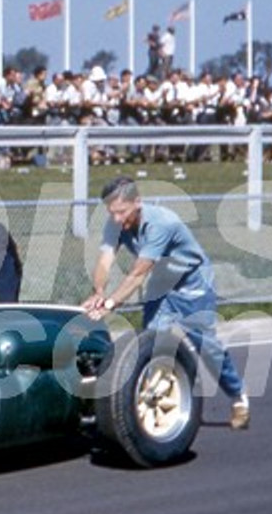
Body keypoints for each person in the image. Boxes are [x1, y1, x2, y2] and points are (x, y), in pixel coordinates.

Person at [80, 176, 250, 430]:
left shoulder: (161, 223)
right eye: (111, 213)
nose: (116, 219)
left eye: (121, 212)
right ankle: (163, 397)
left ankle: (238, 398)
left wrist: (111, 303)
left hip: (192, 283)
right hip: (161, 283)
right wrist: (99, 291)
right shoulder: (115, 222)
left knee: (206, 347)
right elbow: (105, 260)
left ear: (137, 202)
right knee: (151, 344)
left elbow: (138, 273)